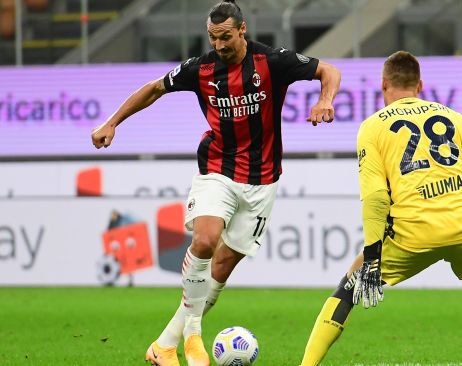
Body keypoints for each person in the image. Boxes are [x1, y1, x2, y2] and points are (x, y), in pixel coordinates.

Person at [91, 1, 341, 365]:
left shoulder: (272, 62)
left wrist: (325, 100)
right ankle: (193, 338)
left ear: (242, 30)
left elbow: (329, 71)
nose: (220, 45)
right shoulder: (201, 68)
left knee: (221, 269)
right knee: (205, 240)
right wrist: (112, 122)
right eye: (213, 38)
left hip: (262, 180)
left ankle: (163, 346)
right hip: (218, 169)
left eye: (225, 37)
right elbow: (154, 88)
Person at [299, 51, 462, 366]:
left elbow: (375, 197)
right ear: (420, 85)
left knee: (349, 286)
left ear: (384, 85)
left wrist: (372, 258)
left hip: (414, 233)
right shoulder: (456, 118)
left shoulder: (372, 127)